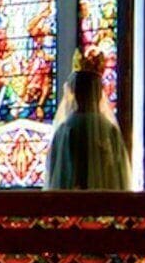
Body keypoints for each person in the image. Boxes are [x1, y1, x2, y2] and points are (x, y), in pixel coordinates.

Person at [42, 56, 130, 191]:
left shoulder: (65, 129)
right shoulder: (110, 130)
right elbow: (121, 178)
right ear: (99, 94)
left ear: (74, 93)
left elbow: (55, 176)